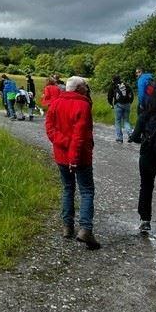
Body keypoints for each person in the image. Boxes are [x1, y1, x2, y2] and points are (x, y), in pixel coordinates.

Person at [45, 76, 100, 249]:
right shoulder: (83, 105)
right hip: (80, 157)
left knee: (68, 188)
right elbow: (79, 135)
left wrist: (63, 143)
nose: (87, 88)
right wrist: (73, 156)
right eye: (85, 85)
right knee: (86, 191)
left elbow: (50, 129)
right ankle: (85, 229)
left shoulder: (55, 103)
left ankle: (67, 227)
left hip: (61, 155)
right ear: (78, 88)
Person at [128, 91, 156, 232]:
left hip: (147, 155)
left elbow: (134, 137)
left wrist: (145, 140)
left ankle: (145, 220)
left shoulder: (144, 116)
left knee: (146, 187)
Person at [107, 75, 134, 143]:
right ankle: (130, 134)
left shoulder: (113, 86)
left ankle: (119, 138)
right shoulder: (125, 85)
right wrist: (129, 102)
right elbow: (132, 95)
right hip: (127, 104)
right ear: (120, 79)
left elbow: (109, 96)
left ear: (113, 80)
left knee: (118, 121)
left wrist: (111, 104)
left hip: (118, 105)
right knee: (126, 121)